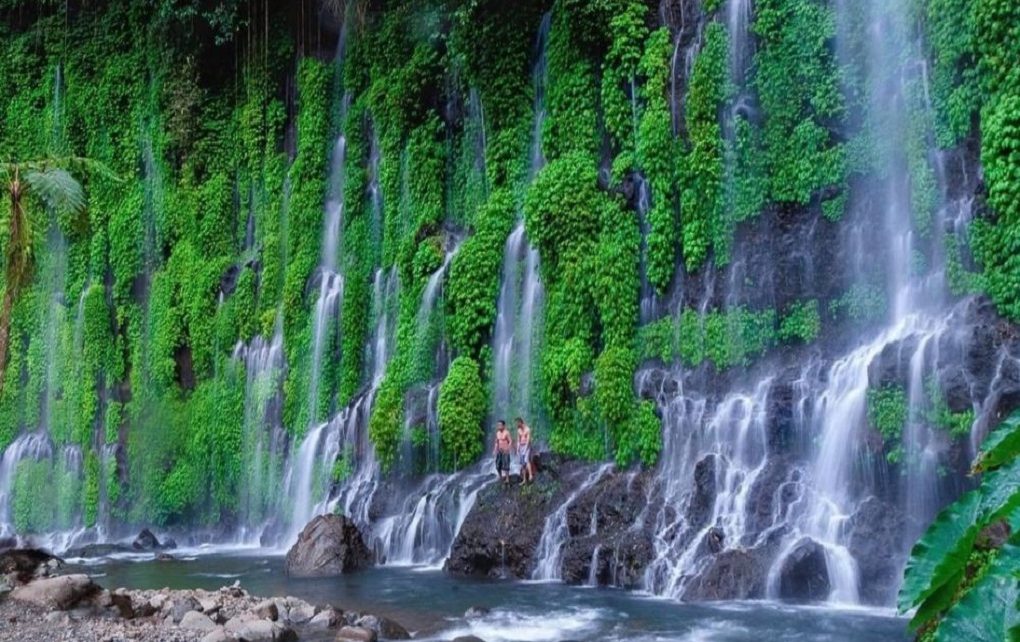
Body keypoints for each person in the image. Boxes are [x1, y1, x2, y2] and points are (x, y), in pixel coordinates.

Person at [516, 417, 534, 485]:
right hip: (521, 447)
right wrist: (518, 449)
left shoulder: (527, 429)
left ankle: (530, 475)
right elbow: (518, 440)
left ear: (521, 422)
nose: (517, 424)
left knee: (526, 460)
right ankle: (524, 479)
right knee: (523, 464)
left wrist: (526, 449)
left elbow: (528, 440)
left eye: (517, 423)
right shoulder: (518, 430)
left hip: (527, 446)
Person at [493, 420, 512, 485]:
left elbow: (510, 441)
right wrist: (495, 450)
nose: (499, 426)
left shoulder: (507, 433)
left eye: (500, 425)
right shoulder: (497, 433)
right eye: (498, 425)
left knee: (506, 465)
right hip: (499, 451)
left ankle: (507, 478)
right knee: (498, 465)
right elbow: (496, 442)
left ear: (504, 426)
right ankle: (500, 476)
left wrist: (508, 448)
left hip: (505, 451)